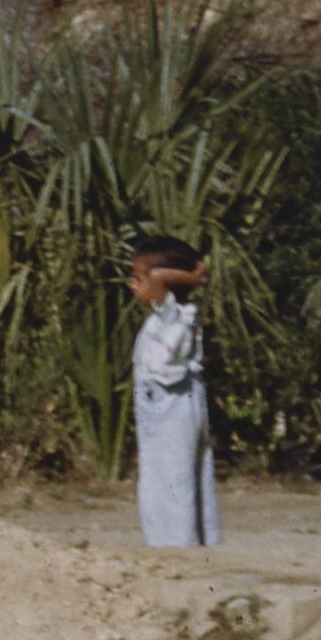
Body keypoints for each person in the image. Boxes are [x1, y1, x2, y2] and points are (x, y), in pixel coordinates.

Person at [127, 233, 221, 547]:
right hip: (172, 400)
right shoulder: (171, 315)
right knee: (169, 474)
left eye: (139, 279)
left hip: (171, 402)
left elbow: (158, 276)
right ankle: (184, 540)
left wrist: (193, 276)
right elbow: (158, 276)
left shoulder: (173, 311)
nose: (135, 286)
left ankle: (178, 543)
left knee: (173, 478)